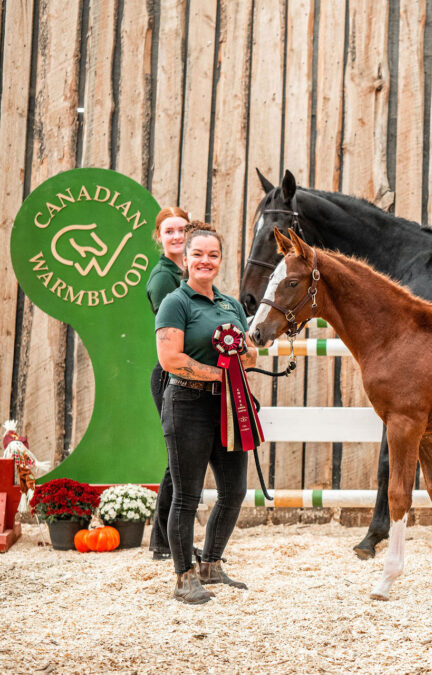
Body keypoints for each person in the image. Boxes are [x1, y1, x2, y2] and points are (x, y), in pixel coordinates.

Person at [155, 224, 255, 604]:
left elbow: (250, 353)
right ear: (186, 258)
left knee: (234, 491)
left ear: (219, 260)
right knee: (187, 496)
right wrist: (221, 373)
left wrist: (242, 356)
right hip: (187, 404)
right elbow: (171, 359)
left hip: (230, 406)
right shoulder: (175, 303)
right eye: (198, 254)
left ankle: (211, 564)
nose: (205, 261)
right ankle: (183, 576)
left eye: (212, 255)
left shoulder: (230, 305)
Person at [146, 206, 190, 561]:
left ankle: (164, 541)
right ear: (158, 236)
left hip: (189, 372)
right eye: (170, 231)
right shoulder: (164, 279)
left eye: (183, 230)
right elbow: (176, 330)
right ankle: (165, 542)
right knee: (181, 459)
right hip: (171, 373)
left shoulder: (189, 272)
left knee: (184, 458)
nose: (177, 236)